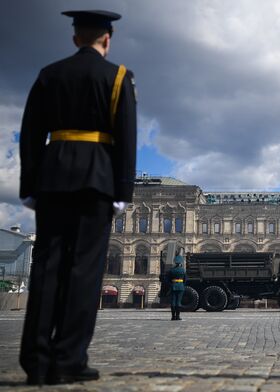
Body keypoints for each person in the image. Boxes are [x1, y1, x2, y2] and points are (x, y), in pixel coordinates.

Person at [18, 10, 137, 385]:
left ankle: (36, 361)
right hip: (97, 182)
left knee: (46, 268)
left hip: (53, 178)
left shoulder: (49, 74)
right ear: (107, 39)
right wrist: (122, 193)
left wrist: (29, 187)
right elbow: (126, 140)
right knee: (85, 271)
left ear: (75, 39)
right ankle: (69, 359)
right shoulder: (118, 77)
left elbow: (31, 134)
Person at [168, 253, 187, 320]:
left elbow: (168, 279)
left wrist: (171, 284)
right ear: (180, 263)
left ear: (175, 262)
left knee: (173, 301)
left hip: (173, 286)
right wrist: (182, 285)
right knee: (178, 301)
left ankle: (173, 316)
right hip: (181, 286)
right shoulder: (183, 270)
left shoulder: (171, 270)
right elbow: (185, 279)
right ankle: (178, 316)